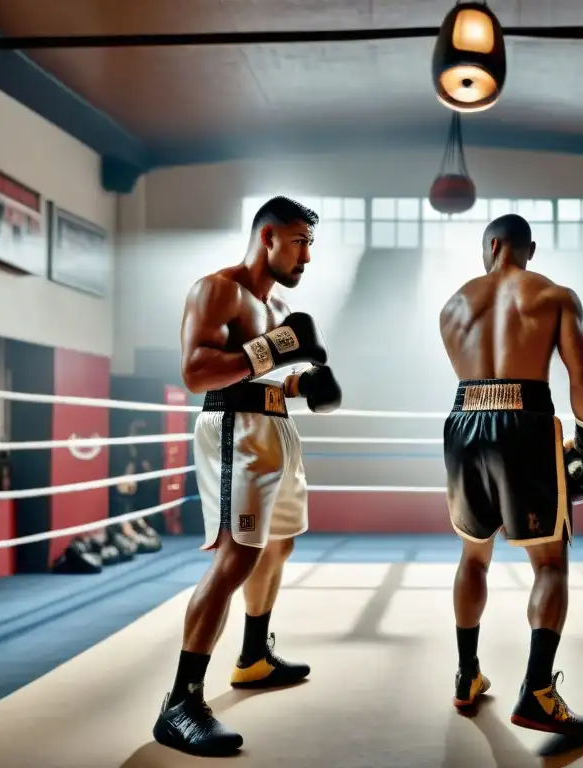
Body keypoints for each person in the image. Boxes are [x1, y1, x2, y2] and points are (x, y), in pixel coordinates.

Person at [152, 196, 342, 757]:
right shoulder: (217, 289)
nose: (307, 256)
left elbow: (266, 375)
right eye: (300, 242)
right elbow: (196, 372)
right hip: (235, 428)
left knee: (277, 545)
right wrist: (276, 348)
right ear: (268, 238)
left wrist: (302, 386)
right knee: (236, 555)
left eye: (311, 244)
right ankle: (181, 703)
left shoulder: (274, 303)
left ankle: (254, 656)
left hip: (272, 424)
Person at [438, 213, 583, 739]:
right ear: (527, 248)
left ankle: (467, 676)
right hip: (525, 422)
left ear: (490, 246)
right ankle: (537, 690)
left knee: (473, 554)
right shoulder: (553, 295)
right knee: (551, 562)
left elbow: (474, 374)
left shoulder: (452, 306)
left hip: (463, 423)